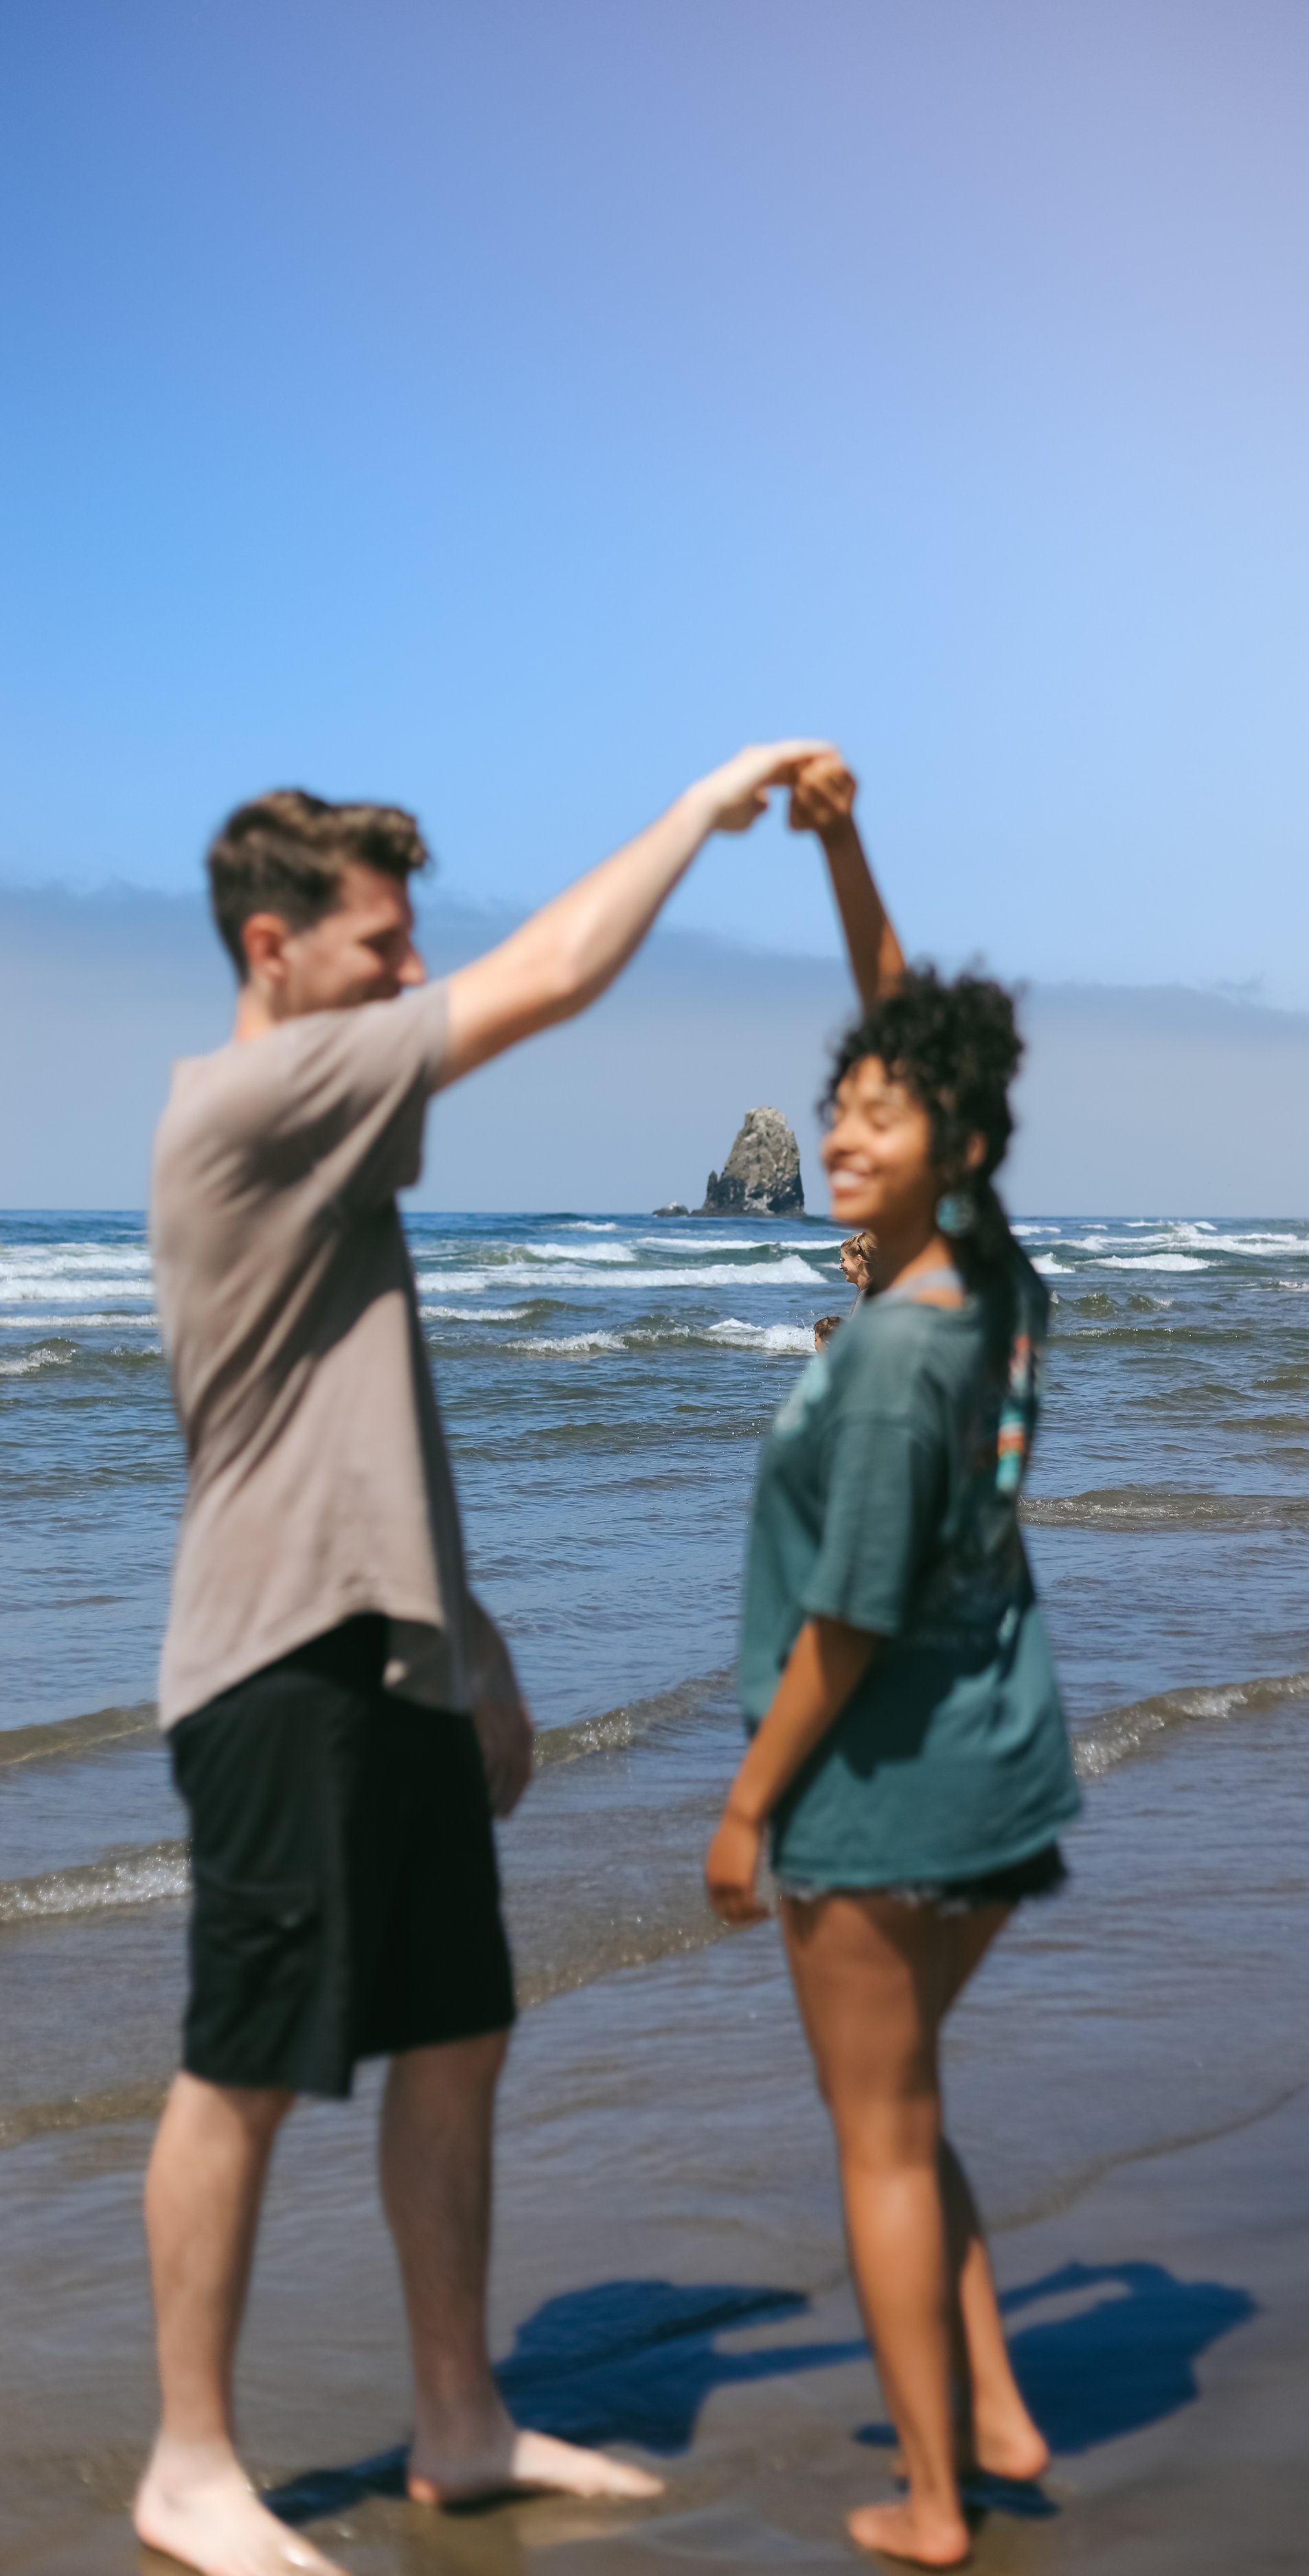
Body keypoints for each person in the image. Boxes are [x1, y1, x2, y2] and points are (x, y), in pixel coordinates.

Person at [138, 742, 827, 2576]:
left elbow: (365, 1433)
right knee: (246, 2058)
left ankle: (460, 2423)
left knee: (459, 2038)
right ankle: (188, 2464)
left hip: (400, 1659)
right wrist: (702, 805)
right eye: (378, 946)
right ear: (274, 948)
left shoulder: (339, 1155)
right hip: (274, 1664)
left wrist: (488, 1656)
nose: (408, 974)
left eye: (410, 941)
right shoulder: (253, 1103)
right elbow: (548, 980)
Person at [705, 757, 1082, 2568]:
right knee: (907, 2107)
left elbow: (842, 1627)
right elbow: (913, 1035)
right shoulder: (989, 1281)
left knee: (874, 2139)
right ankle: (995, 2407)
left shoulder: (887, 1362)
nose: (845, 1134)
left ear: (957, 1154)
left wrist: (742, 1804)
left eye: (878, 1121)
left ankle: (933, 2501)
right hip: (1005, 1757)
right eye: (831, 1113)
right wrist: (846, 848)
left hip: (883, 1788)